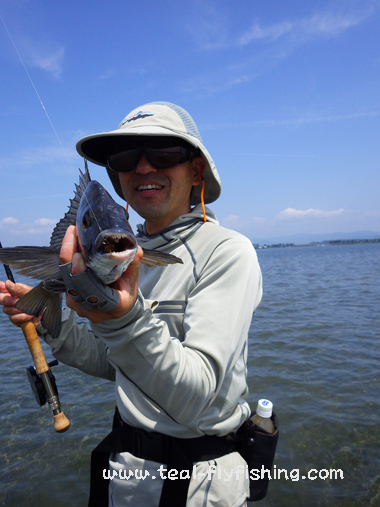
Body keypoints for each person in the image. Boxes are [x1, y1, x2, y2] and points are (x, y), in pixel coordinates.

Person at [0, 102, 262, 506]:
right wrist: (49, 320)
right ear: (119, 180)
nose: (142, 168)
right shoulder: (130, 253)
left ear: (196, 171)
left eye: (162, 152)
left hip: (201, 485)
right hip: (125, 476)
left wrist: (124, 318)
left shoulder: (227, 252)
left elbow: (197, 398)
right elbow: (117, 364)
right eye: (126, 157)